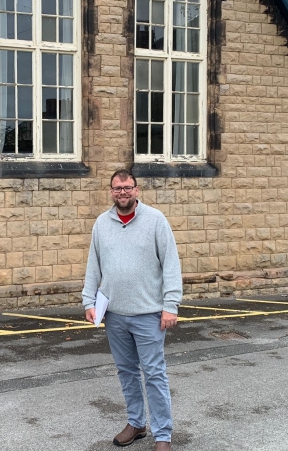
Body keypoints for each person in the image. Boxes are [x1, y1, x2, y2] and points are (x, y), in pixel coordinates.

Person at [83, 169, 183, 451]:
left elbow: (171, 265)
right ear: (111, 191)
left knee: (154, 374)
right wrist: (88, 301)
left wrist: (170, 305)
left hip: (149, 314)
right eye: (117, 188)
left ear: (136, 190)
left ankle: (163, 434)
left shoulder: (155, 221)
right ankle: (137, 422)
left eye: (127, 188)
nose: (122, 193)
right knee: (126, 371)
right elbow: (94, 265)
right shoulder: (102, 223)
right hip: (114, 315)